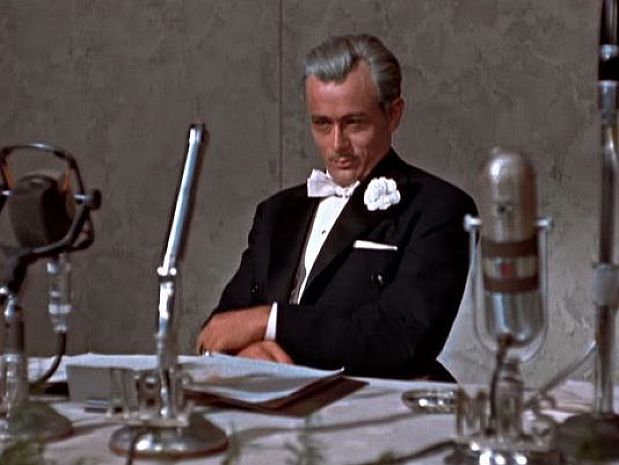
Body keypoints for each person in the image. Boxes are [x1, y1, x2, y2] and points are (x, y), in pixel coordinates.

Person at [196, 33, 477, 380]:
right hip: (264, 402)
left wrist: (271, 322)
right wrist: (251, 354)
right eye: (322, 124)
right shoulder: (275, 213)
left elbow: (403, 336)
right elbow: (220, 329)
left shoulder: (441, 208)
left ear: (393, 115)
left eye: (353, 123)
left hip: (376, 408)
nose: (337, 144)